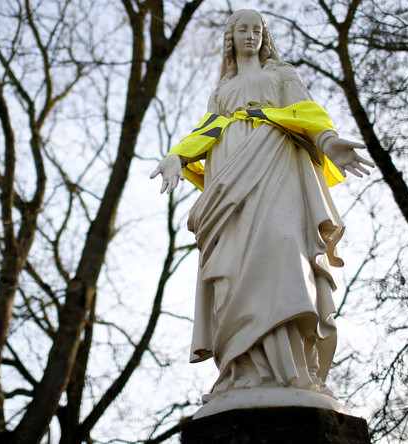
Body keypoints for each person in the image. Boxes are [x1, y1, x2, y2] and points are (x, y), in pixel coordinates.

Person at [150, 9, 373, 407]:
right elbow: (208, 129)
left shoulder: (282, 75)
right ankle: (243, 369)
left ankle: (293, 371)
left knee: (285, 251)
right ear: (230, 38)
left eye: (257, 29)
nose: (250, 36)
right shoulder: (223, 90)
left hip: (276, 166)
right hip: (228, 179)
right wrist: (177, 158)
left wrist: (328, 142)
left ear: (264, 35)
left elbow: (306, 112)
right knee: (233, 267)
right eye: (242, 30)